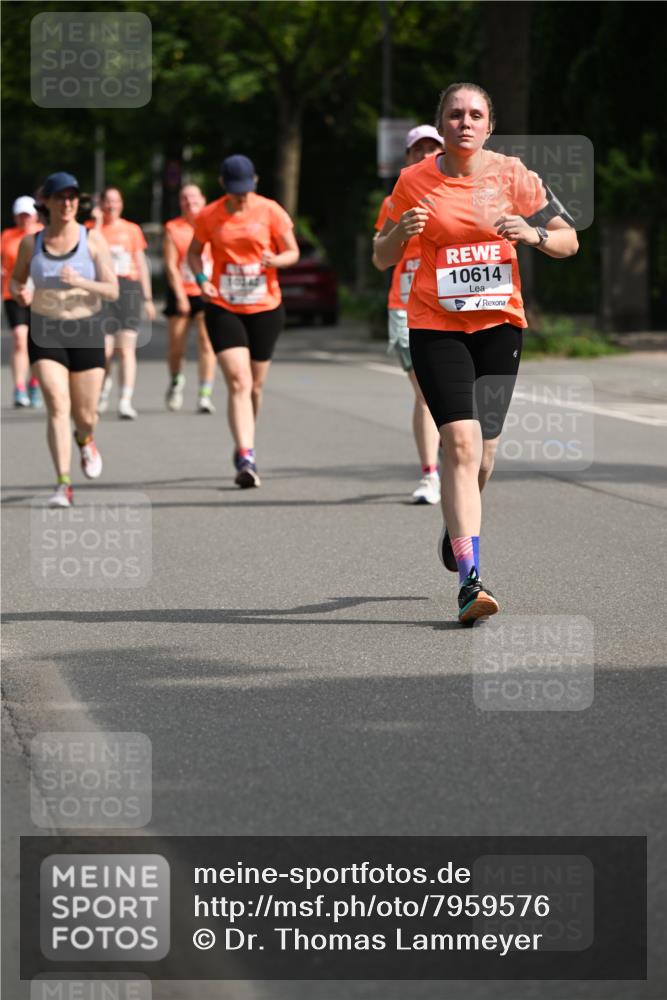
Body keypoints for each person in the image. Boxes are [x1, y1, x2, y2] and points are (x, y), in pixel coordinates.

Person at [374, 83, 578, 624]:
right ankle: (471, 582)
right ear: (440, 126)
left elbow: (569, 239)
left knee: (484, 454)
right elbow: (380, 255)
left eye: (475, 115)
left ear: (489, 125)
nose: (465, 122)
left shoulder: (513, 174)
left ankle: (455, 524)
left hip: (498, 328)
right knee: (460, 445)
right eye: (455, 114)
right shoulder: (414, 181)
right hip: (435, 326)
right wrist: (402, 232)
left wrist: (534, 235)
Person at [187, 155, 299, 488]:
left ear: (255, 182)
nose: (240, 197)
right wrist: (201, 277)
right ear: (223, 185)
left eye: (246, 190)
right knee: (238, 380)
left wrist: (275, 259)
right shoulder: (210, 215)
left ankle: (245, 437)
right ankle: (247, 454)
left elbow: (292, 251)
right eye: (234, 190)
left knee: (255, 386)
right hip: (224, 305)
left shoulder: (270, 211)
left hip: (265, 306)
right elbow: (194, 252)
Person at [10, 172, 118, 507]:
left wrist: (82, 283)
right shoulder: (32, 243)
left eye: (72, 197)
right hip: (46, 330)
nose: (68, 203)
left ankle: (85, 440)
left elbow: (112, 289)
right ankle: (63, 484)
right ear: (48, 203)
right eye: (61, 197)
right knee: (58, 404)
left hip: (85, 330)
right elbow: (15, 281)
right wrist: (20, 294)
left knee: (85, 415)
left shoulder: (92, 239)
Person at [372, 125, 444, 504]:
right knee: (427, 394)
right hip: (405, 307)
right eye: (418, 150)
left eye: (433, 149)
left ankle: (452, 440)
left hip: (451, 306)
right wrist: (399, 231)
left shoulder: (459, 192)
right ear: (407, 157)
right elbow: (379, 255)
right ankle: (430, 476)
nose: (425, 156)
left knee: (453, 394)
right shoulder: (394, 200)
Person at [97, 186, 155, 419]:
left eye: (116, 201)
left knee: (126, 349)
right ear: (101, 204)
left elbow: (141, 264)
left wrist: (148, 298)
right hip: (102, 292)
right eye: (107, 201)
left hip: (128, 290)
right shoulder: (93, 230)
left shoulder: (132, 230)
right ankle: (104, 386)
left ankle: (125, 400)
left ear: (121, 204)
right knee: (105, 350)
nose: (112, 206)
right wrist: (97, 223)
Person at [163, 184, 217, 413]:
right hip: (181, 291)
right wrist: (181, 296)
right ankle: (176, 381)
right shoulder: (173, 228)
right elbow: (170, 265)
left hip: (208, 291)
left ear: (203, 200)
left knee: (207, 343)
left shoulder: (214, 224)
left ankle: (205, 394)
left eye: (194, 197)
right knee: (177, 347)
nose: (189, 201)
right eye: (184, 198)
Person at [2, 196, 43, 407]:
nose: (24, 219)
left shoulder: (44, 235)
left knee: (36, 343)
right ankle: (19, 388)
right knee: (19, 338)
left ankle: (34, 383)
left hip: (40, 295)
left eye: (28, 214)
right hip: (14, 294)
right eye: (20, 215)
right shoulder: (7, 236)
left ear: (35, 214)